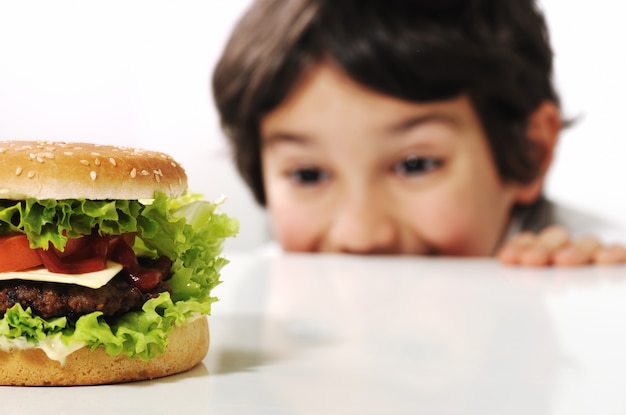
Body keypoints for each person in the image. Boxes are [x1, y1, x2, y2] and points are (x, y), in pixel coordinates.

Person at [212, 0, 626, 266]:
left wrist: (589, 306)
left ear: (529, 150)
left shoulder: (598, 264)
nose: (361, 236)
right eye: (307, 175)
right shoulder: (258, 286)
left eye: (415, 165)